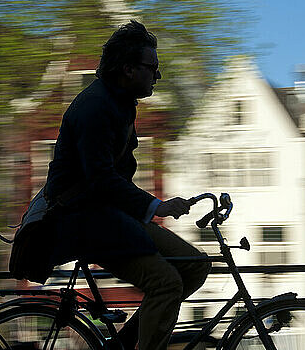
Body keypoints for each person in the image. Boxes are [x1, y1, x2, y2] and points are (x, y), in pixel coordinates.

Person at [43, 20, 211, 350]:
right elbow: (101, 178)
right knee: (164, 283)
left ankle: (123, 344)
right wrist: (156, 206)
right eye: (152, 68)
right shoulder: (96, 107)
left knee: (194, 266)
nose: (157, 76)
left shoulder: (119, 104)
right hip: (84, 220)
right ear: (128, 69)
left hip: (107, 214)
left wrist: (148, 207)